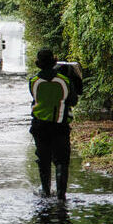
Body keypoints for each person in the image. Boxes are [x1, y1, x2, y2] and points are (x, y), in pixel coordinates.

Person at [29, 49, 78, 200]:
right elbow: (73, 101)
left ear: (38, 63)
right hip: (60, 126)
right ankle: (61, 194)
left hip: (40, 126)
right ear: (54, 62)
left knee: (43, 159)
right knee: (62, 160)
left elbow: (35, 98)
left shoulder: (33, 81)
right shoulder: (64, 81)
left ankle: (45, 191)